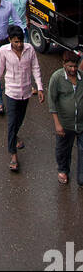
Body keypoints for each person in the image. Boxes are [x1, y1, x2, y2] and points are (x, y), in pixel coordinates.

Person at [0, 26, 43, 172]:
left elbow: (36, 68)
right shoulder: (3, 51)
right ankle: (13, 155)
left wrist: (40, 88)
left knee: (19, 119)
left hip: (25, 92)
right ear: (10, 40)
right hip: (11, 93)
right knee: (12, 123)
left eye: (20, 42)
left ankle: (15, 136)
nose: (19, 45)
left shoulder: (30, 49)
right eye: (16, 42)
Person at [47, 48, 83, 186]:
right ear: (64, 64)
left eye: (75, 66)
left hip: (81, 123)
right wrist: (57, 124)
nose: (73, 69)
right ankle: (63, 170)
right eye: (70, 66)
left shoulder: (81, 77)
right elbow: (52, 100)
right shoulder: (57, 78)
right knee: (63, 149)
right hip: (65, 124)